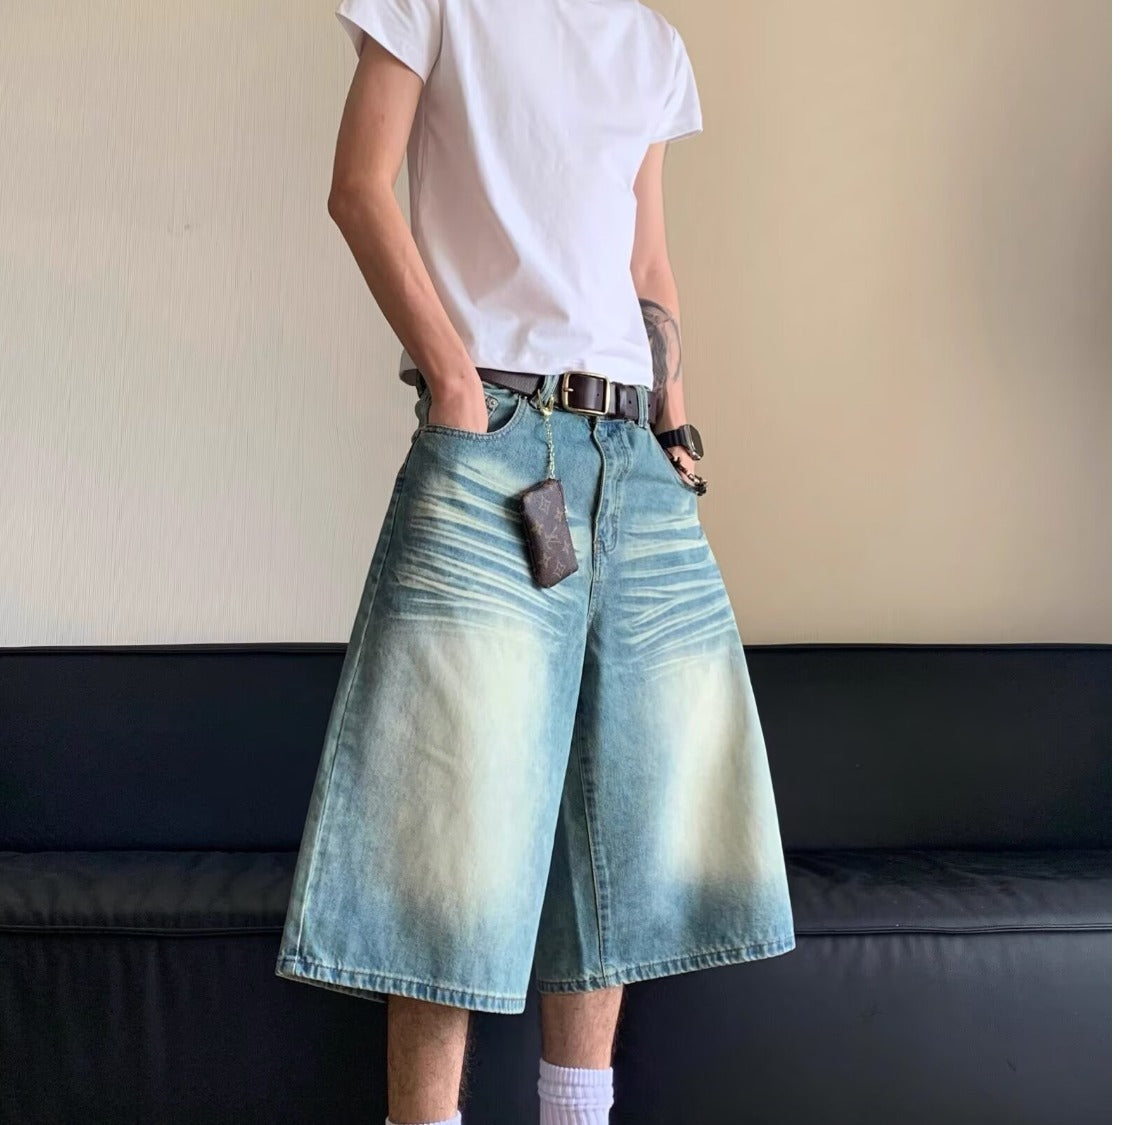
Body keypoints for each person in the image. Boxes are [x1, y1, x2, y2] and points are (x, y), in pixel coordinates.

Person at [275, 1, 797, 1122]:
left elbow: (646, 258)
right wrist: (455, 384)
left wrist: (676, 429)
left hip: (635, 453)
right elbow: (358, 187)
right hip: (499, 434)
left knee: (624, 806)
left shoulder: (649, 43)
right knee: (451, 814)